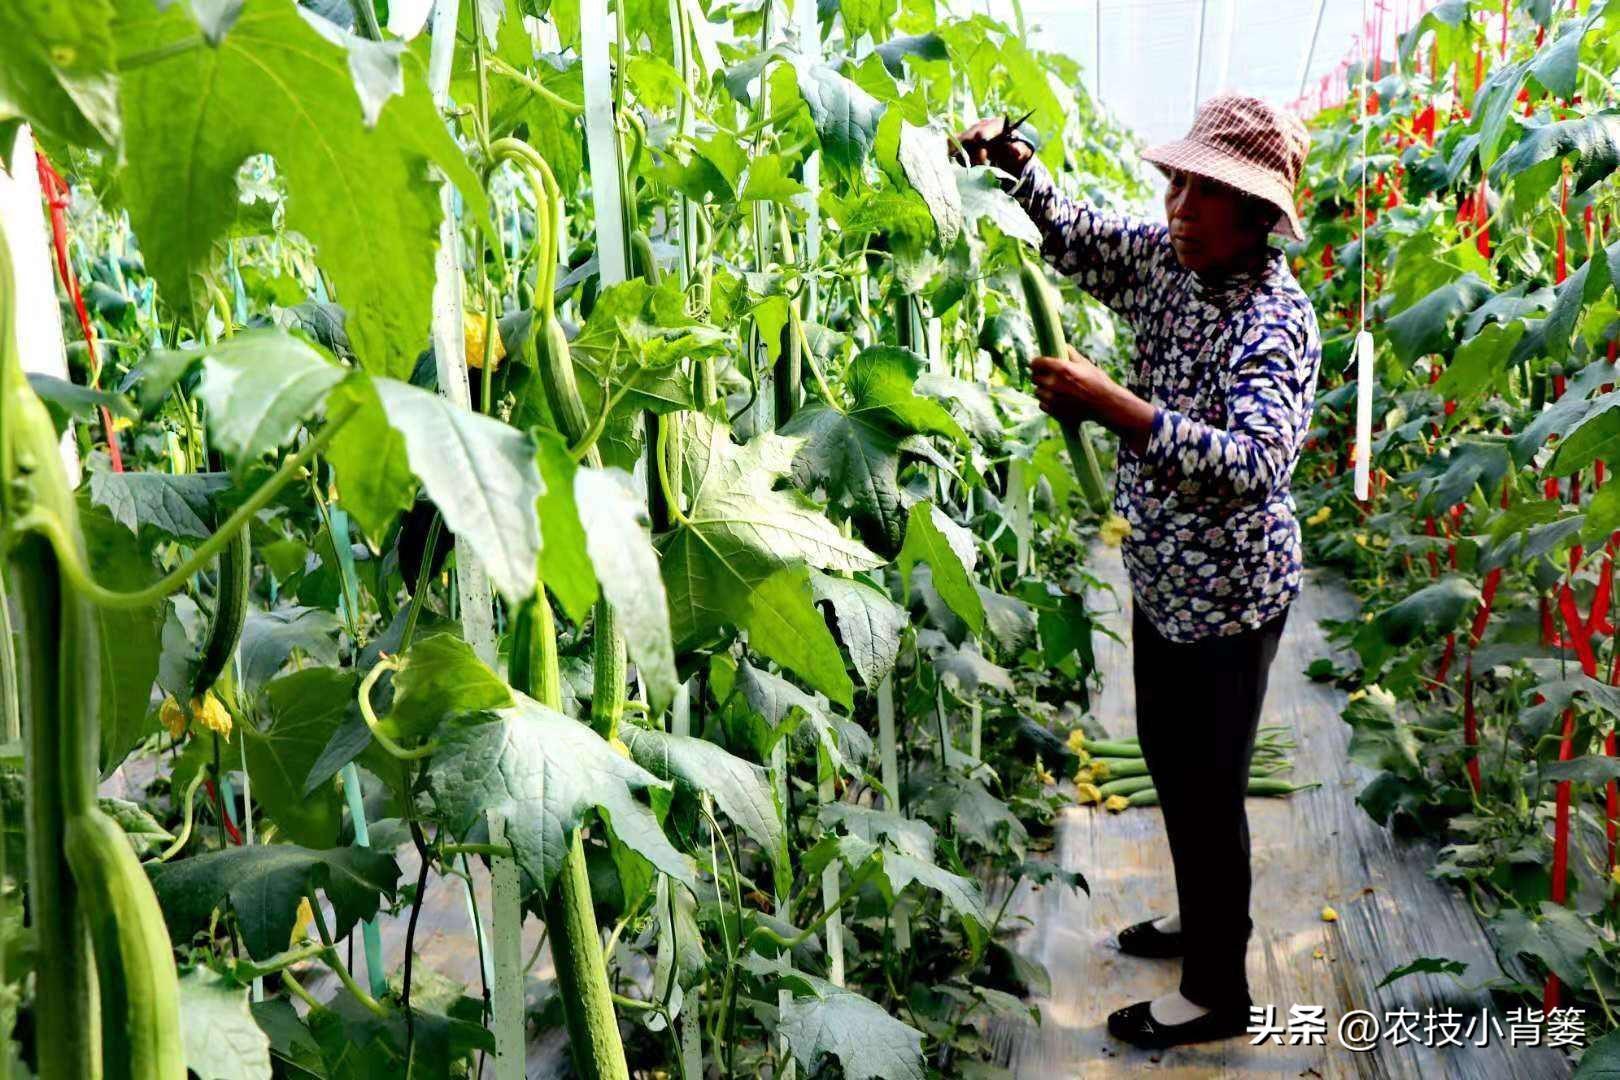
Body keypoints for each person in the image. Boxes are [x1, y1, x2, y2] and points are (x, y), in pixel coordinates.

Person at [958, 95, 1322, 1050]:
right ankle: (1203, 923)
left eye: (1210, 191)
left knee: (1209, 788)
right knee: (1170, 761)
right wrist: (1015, 168)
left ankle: (1217, 992)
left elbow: (1255, 462)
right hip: (1164, 578)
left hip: (1234, 594)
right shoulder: (1167, 262)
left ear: (1258, 217)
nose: (1181, 206)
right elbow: (1075, 238)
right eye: (1179, 182)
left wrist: (1114, 405)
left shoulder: (1275, 319)